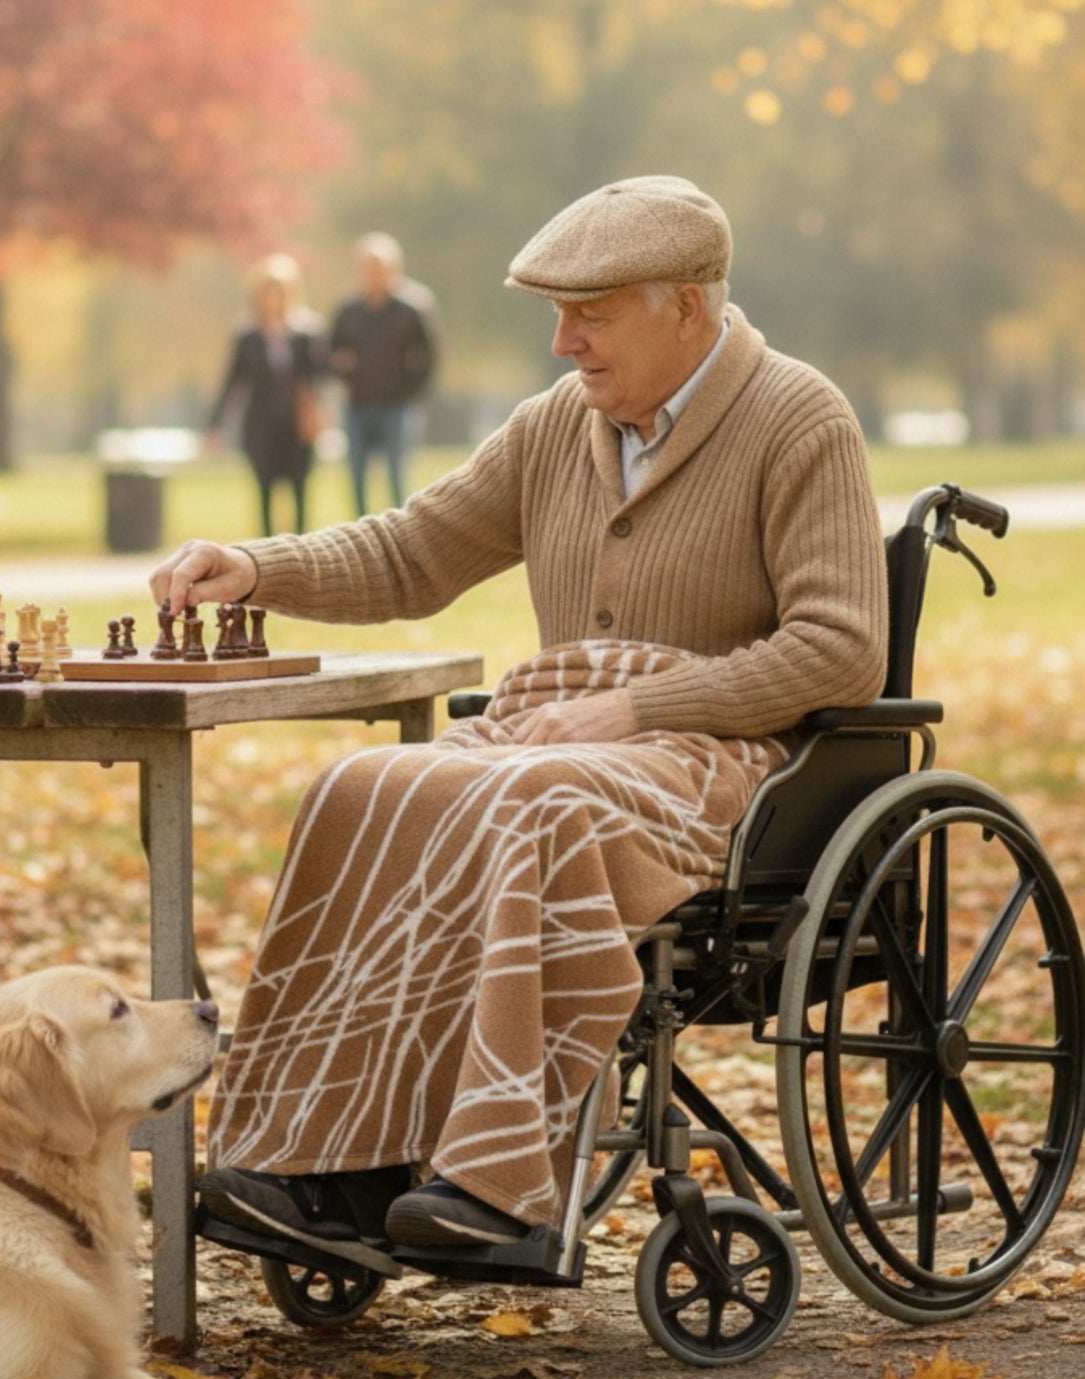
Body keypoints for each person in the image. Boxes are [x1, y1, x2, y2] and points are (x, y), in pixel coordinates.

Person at [152, 176, 887, 1263]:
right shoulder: (557, 428)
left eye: (587, 314)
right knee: (366, 786)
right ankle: (318, 1164)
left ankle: (495, 1182)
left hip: (718, 752)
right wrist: (255, 566)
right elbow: (412, 549)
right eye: (555, 314)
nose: (560, 342)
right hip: (556, 727)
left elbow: (841, 648)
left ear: (684, 308)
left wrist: (637, 704)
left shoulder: (796, 416)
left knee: (539, 798)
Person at [207, 254, 327, 536]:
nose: (274, 297)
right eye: (269, 291)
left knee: (300, 490)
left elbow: (322, 377)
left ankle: (300, 553)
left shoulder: (307, 332)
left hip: (297, 426)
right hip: (261, 426)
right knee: (263, 490)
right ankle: (266, 555)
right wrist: (215, 425)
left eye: (280, 291)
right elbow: (232, 382)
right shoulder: (247, 335)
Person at [330, 232, 438, 516]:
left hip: (398, 406)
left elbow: (429, 356)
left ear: (394, 269)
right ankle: (360, 540)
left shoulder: (414, 307)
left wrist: (412, 391)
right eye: (367, 268)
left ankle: (399, 542)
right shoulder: (348, 310)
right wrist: (346, 379)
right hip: (358, 405)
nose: (373, 274)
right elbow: (333, 352)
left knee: (396, 477)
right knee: (355, 477)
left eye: (379, 267)